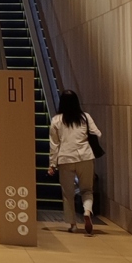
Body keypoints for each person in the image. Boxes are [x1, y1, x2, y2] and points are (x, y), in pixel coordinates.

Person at [48, 90, 101, 235]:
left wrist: (52, 164)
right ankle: (87, 211)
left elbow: (54, 144)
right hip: (85, 157)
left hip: (65, 158)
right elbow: (97, 133)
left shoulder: (56, 120)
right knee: (87, 190)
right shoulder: (85, 117)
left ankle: (73, 225)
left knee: (68, 194)